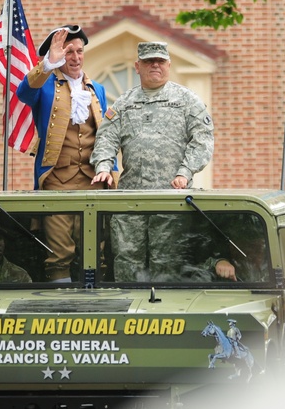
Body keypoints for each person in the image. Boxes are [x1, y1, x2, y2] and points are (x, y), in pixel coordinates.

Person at [91, 42, 215, 281]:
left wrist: (185, 172)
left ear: (169, 65)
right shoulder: (123, 104)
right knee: (127, 262)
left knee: (167, 264)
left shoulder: (187, 101)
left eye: (160, 61)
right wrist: (104, 166)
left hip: (171, 200)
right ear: (138, 66)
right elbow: (106, 138)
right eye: (149, 61)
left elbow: (203, 139)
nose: (155, 65)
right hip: (130, 202)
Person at [17, 24, 114, 282]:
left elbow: (104, 135)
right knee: (59, 253)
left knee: (96, 252)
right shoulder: (45, 85)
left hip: (92, 181)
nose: (76, 57)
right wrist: (48, 62)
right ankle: (61, 307)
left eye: (79, 51)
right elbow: (23, 92)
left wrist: (111, 171)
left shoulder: (97, 89)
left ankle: (97, 306)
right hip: (57, 180)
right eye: (69, 52)